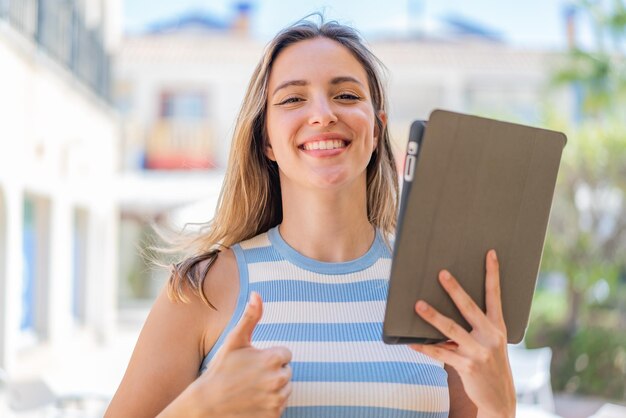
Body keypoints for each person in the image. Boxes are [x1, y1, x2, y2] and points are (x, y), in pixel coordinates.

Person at [105, 15, 516, 418]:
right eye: (292, 99)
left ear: (376, 131)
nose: (323, 114)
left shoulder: (437, 288)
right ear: (266, 138)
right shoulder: (202, 289)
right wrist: (202, 407)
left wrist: (501, 405)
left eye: (347, 96)